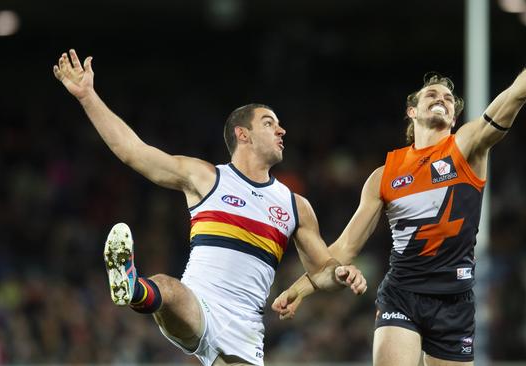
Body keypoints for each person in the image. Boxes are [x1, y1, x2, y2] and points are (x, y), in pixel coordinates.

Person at [272, 26, 526, 365]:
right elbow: (343, 250)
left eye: (449, 99)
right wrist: (300, 290)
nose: (441, 99)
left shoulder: (467, 148)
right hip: (402, 294)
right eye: (431, 95)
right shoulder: (384, 175)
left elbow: (518, 92)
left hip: (455, 302)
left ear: (454, 117)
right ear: (412, 111)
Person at [52, 49, 367, 366]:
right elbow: (133, 152)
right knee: (169, 288)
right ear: (242, 134)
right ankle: (131, 287)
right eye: (270, 123)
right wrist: (87, 96)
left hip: (244, 330)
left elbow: (321, 271)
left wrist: (339, 273)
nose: (282, 130)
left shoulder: (295, 205)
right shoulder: (206, 177)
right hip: (198, 304)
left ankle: (137, 289)